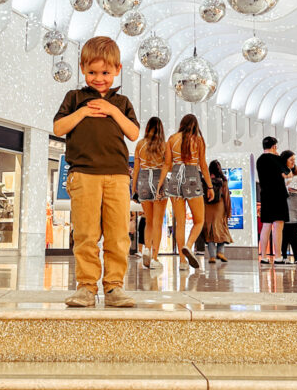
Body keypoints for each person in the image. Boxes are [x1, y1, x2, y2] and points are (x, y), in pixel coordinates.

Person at [53, 36, 140, 308]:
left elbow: (134, 133)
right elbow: (58, 128)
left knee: (117, 234)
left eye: (105, 72)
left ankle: (114, 287)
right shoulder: (75, 98)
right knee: (86, 234)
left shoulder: (122, 102)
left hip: (116, 175)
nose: (99, 78)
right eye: (92, 72)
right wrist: (84, 113)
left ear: (118, 70)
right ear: (82, 69)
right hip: (83, 175)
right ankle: (86, 287)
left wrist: (112, 110)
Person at [159, 114, 213, 270]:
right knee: (199, 220)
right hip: (192, 178)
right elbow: (202, 165)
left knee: (180, 223)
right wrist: (209, 187)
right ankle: (189, 245)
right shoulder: (198, 140)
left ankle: (183, 262)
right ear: (195, 125)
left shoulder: (172, 139)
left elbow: (167, 164)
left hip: (175, 178)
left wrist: (160, 184)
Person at [132, 116, 168, 271]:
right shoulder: (164, 146)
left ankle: (146, 248)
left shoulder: (140, 144)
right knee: (158, 222)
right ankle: (154, 257)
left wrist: (134, 188)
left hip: (144, 181)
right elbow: (168, 167)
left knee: (148, 220)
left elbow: (136, 168)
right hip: (159, 180)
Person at [256, 136, 289, 265]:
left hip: (265, 195)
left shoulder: (260, 159)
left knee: (266, 225)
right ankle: (278, 256)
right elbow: (287, 172)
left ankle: (263, 256)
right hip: (278, 195)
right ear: (274, 146)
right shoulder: (276, 158)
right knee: (278, 226)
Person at [203, 159, 232, 263]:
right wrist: (228, 211)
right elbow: (227, 197)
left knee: (209, 231)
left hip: (207, 207)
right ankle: (220, 252)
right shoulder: (223, 180)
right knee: (221, 229)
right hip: (220, 207)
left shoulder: (205, 180)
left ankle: (212, 256)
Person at [280, 149, 297, 264]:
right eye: (291, 159)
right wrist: (286, 187)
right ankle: (284, 257)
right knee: (285, 235)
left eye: (294, 160)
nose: (293, 162)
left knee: (295, 236)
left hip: (296, 207)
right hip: (285, 207)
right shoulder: (280, 172)